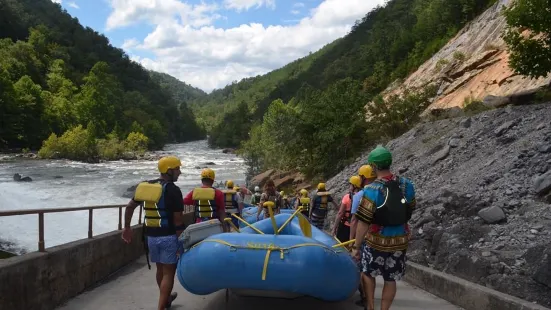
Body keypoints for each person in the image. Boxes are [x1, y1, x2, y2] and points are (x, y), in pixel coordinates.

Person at [351, 146, 416, 310]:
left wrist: (356, 246)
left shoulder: (371, 189)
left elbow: (364, 221)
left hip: (375, 241)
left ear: (373, 166)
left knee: (367, 273)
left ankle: (371, 305)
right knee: (390, 278)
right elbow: (411, 208)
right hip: (399, 240)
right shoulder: (406, 184)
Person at [121, 156, 185, 310]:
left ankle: (166, 298)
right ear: (169, 171)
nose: (180, 172)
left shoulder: (145, 186)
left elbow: (130, 207)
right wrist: (182, 242)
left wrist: (127, 228)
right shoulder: (174, 190)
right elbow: (177, 221)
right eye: (177, 169)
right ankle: (161, 306)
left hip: (151, 238)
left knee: (160, 269)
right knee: (169, 273)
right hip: (169, 237)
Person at [350, 164, 378, 307]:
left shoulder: (359, 195)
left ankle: (367, 299)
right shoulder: (382, 191)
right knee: (386, 277)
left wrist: (353, 243)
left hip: (366, 238)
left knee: (363, 270)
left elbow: (355, 221)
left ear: (363, 178)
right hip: (381, 237)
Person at [332, 175, 362, 242]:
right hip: (357, 228)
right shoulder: (363, 196)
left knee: (341, 247)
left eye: (350, 185)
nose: (350, 187)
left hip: (345, 226)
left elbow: (340, 213)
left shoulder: (347, 197)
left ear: (354, 186)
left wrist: (334, 228)